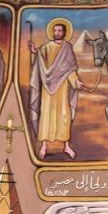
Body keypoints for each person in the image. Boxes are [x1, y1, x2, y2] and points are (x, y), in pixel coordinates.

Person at [29, 18, 82, 160]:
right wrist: (35, 52)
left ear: (64, 32)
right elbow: (40, 60)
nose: (57, 33)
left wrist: (76, 82)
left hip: (62, 87)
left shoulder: (67, 48)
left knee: (64, 116)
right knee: (46, 115)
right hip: (48, 86)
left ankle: (66, 145)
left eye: (60, 30)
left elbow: (70, 68)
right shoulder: (46, 47)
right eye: (55, 30)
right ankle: (44, 145)